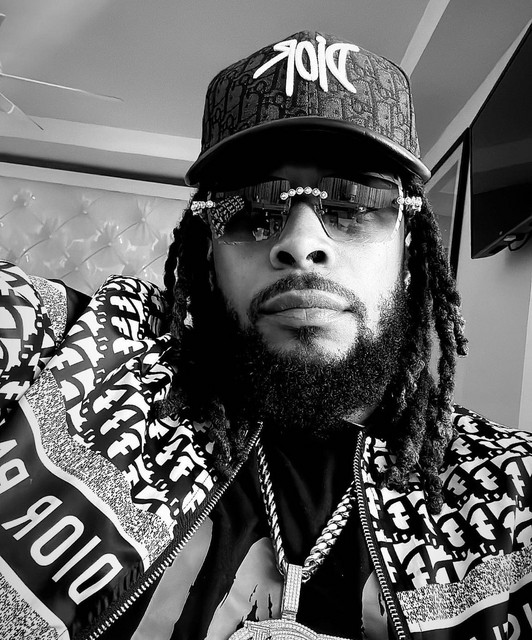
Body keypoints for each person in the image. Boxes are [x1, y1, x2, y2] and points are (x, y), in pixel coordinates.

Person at [0, 29, 531, 640]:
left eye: (354, 205)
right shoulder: (82, 359)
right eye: (252, 210)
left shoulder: (512, 491)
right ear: (207, 256)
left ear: (410, 253)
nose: (301, 243)